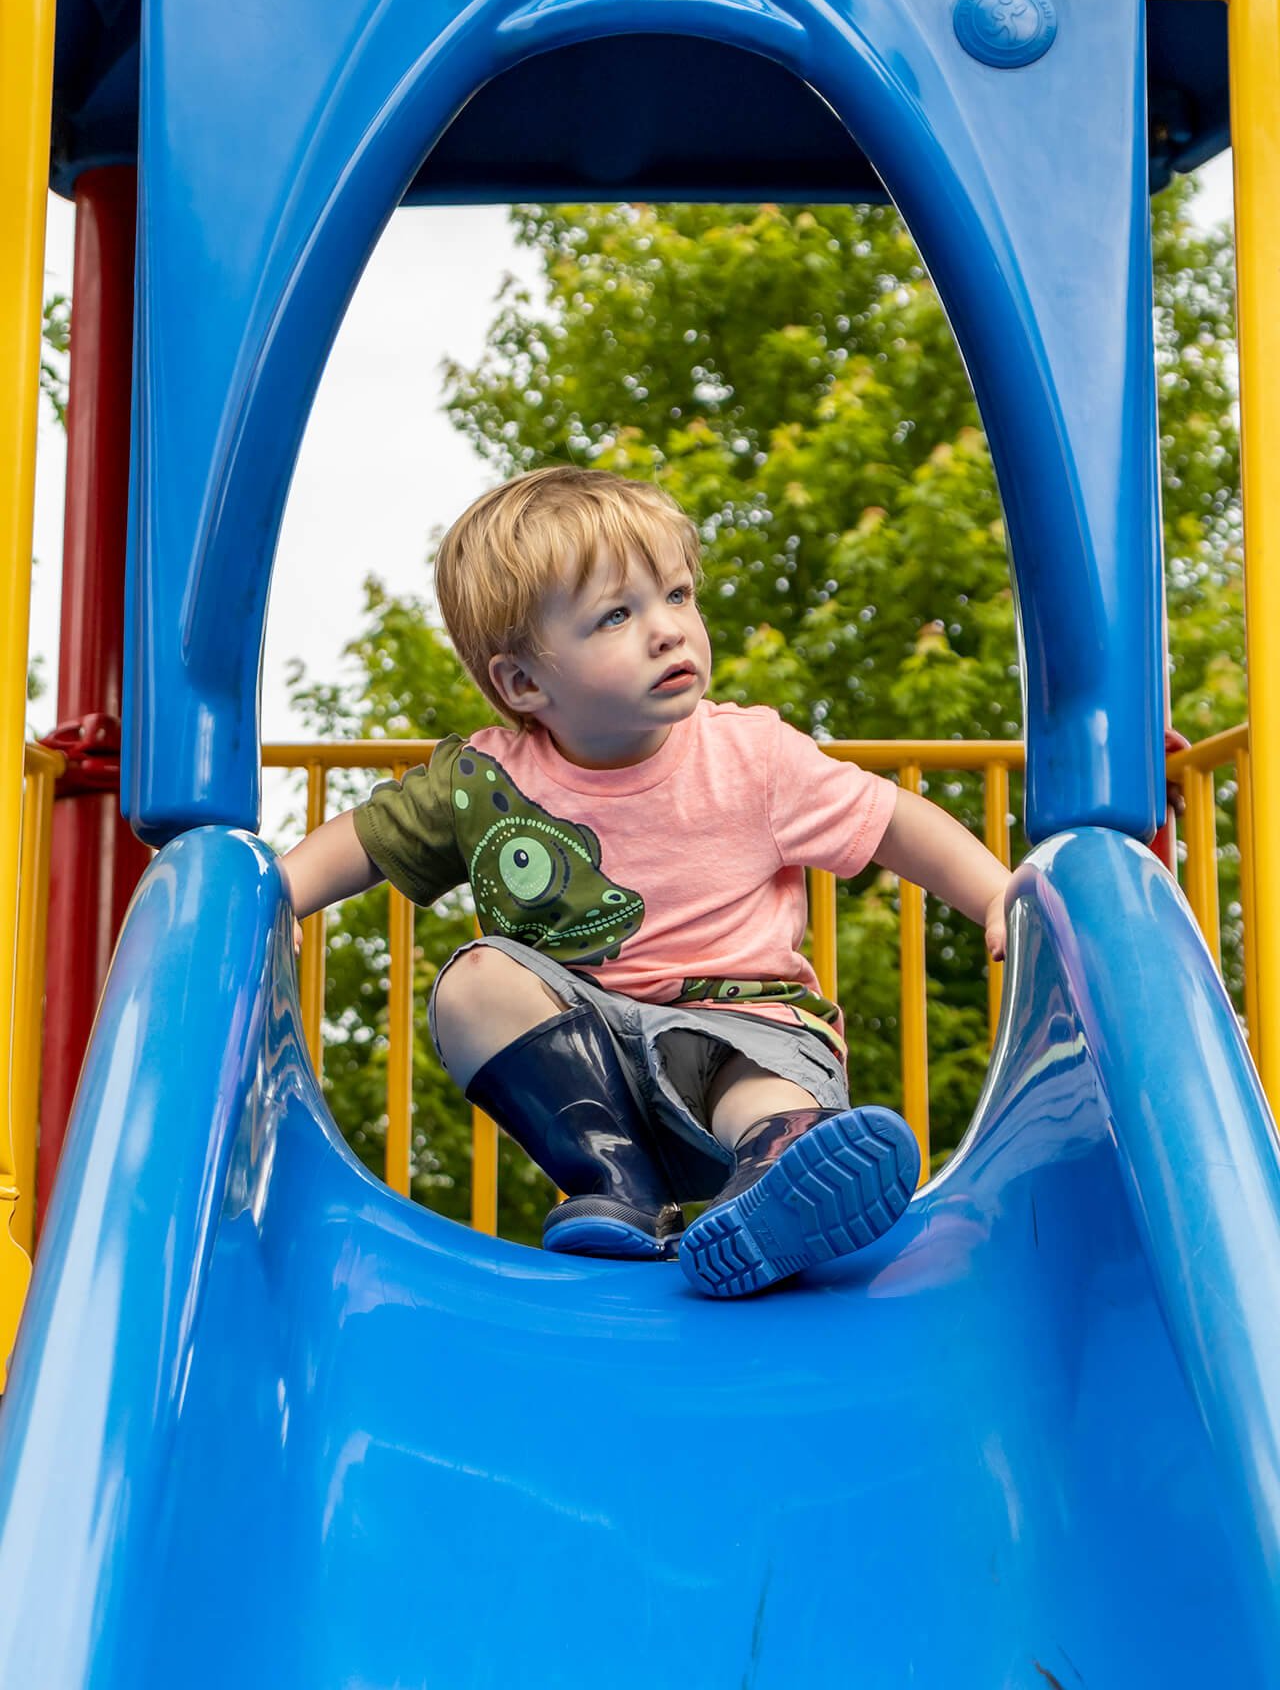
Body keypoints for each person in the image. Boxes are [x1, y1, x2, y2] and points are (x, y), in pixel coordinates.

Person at [280, 466, 1011, 1298]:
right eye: (616, 615)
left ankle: (779, 1172)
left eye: (677, 595)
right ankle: (616, 1183)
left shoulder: (752, 757)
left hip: (745, 1029)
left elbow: (894, 824)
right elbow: (366, 839)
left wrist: (996, 896)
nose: (668, 630)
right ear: (524, 683)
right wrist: (276, 894)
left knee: (754, 1085)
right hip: (592, 1074)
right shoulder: (485, 782)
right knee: (474, 982)